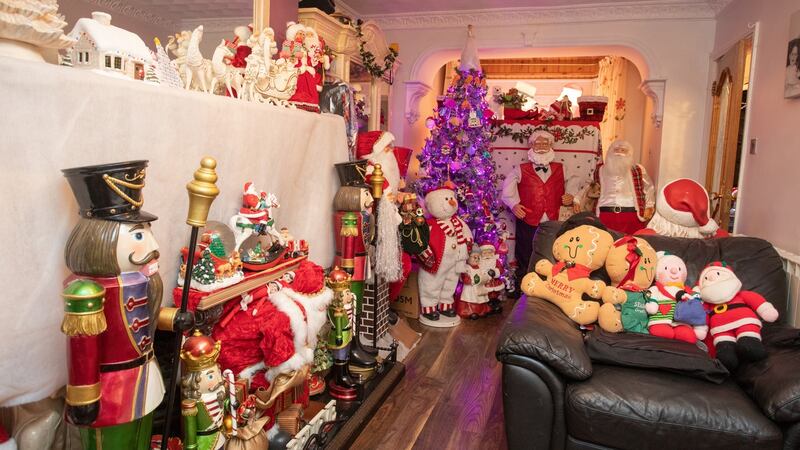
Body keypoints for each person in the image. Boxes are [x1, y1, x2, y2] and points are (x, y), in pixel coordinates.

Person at [501, 130, 572, 294]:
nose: (541, 147)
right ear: (531, 146)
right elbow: (507, 190)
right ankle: (523, 287)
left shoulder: (562, 168)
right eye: (537, 143)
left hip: (554, 219)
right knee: (525, 252)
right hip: (528, 217)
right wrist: (514, 205)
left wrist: (571, 196)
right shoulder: (520, 169)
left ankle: (551, 288)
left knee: (553, 252)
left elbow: (573, 183)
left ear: (551, 146)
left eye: (545, 143)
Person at [576, 140, 654, 234]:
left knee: (632, 245)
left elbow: (649, 188)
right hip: (604, 216)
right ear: (609, 152)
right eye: (616, 149)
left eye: (623, 150)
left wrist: (649, 206)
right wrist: (577, 199)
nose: (619, 153)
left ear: (629, 153)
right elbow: (588, 186)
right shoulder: (599, 170)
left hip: (631, 217)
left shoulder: (638, 169)